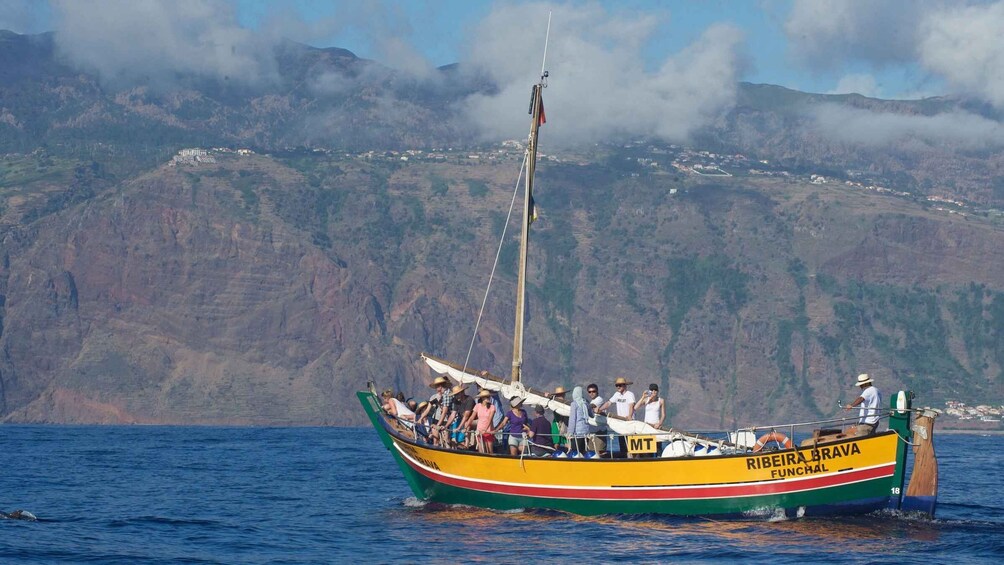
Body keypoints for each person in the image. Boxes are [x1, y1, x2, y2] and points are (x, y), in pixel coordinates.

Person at [599, 377, 636, 457]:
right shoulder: (616, 394)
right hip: (620, 425)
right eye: (617, 385)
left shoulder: (630, 394)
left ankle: (632, 459)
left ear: (624, 385)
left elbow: (631, 405)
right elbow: (609, 403)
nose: (618, 387)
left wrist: (629, 415)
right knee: (622, 445)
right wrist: (600, 409)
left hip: (629, 424)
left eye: (620, 385)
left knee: (630, 446)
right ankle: (624, 460)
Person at [568, 386, 592, 456]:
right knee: (583, 451)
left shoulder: (574, 404)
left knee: (575, 452)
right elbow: (592, 415)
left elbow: (573, 419)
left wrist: (570, 433)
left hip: (577, 433)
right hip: (586, 432)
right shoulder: (586, 403)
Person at [586, 383, 608, 456]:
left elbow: (592, 406)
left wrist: (582, 406)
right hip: (592, 432)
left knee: (599, 453)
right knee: (591, 453)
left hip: (600, 431)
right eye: (589, 392)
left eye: (593, 391)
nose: (591, 393)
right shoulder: (590, 402)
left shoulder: (599, 399)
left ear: (597, 391)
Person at [473, 389, 497, 453]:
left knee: (490, 451)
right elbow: (472, 417)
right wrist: (466, 426)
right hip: (479, 430)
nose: (488, 398)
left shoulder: (492, 407)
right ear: (482, 398)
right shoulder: (477, 406)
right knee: (481, 449)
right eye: (486, 397)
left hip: (488, 431)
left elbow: (490, 419)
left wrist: (485, 430)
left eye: (488, 397)